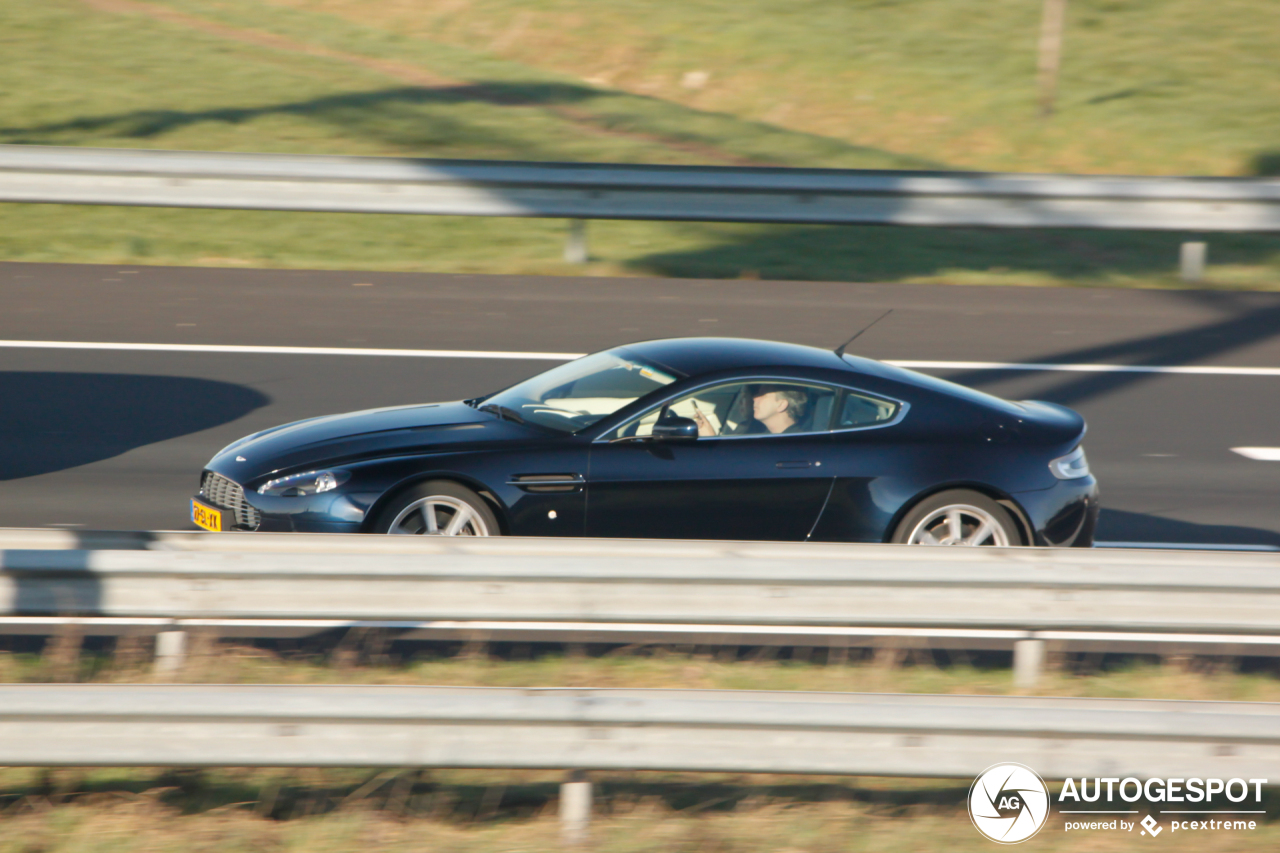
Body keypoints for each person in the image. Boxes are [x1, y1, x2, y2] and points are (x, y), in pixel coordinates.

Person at [690, 385, 808, 436]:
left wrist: (710, 440)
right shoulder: (765, 436)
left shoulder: (794, 444)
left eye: (763, 394)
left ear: (781, 405)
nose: (754, 398)